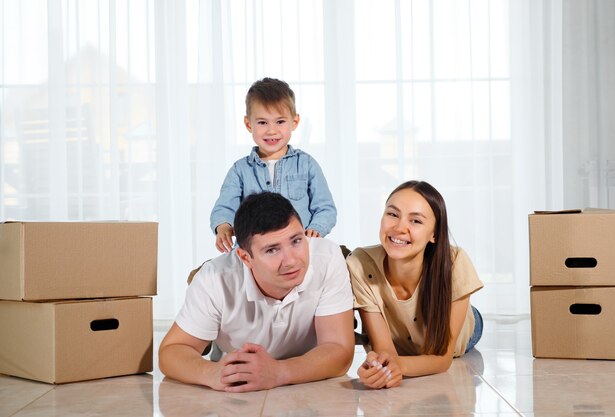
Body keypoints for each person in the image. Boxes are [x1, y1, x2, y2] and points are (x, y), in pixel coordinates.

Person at [159, 192, 354, 392]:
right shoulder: (214, 277)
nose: (292, 261)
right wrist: (213, 373)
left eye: (296, 241)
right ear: (245, 258)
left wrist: (278, 372)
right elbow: (171, 352)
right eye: (272, 250)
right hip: (239, 374)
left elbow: (339, 350)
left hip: (309, 379)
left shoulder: (327, 257)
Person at [346, 180, 484, 389]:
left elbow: (441, 359)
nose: (400, 228)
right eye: (392, 214)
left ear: (434, 234)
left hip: (464, 329)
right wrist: (381, 368)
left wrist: (395, 366)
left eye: (416, 221)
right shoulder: (360, 263)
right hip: (404, 338)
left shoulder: (455, 262)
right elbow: (386, 352)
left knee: (469, 323)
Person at [210, 77, 337, 253]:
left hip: (299, 250)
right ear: (248, 124)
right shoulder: (240, 171)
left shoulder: (307, 165)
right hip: (255, 254)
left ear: (294, 122)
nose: (271, 130)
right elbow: (224, 206)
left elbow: (326, 208)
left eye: (280, 121)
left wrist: (316, 228)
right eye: (262, 122)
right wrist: (223, 225)